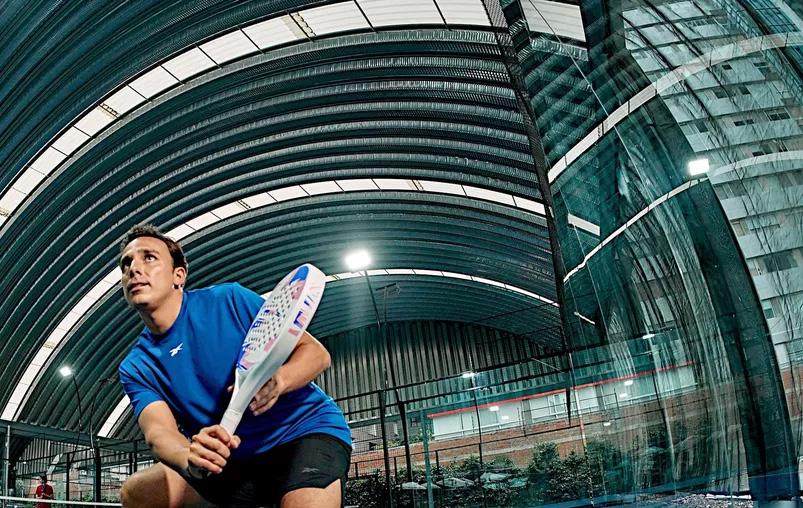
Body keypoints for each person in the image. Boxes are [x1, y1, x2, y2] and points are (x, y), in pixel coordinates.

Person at [117, 225, 352, 507]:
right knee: (138, 493)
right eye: (126, 264)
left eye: (149, 258)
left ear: (178, 276)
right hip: (231, 460)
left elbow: (316, 354)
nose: (134, 269)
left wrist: (279, 381)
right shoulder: (136, 365)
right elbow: (159, 432)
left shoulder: (228, 300)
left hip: (303, 432)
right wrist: (189, 456)